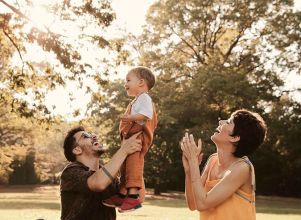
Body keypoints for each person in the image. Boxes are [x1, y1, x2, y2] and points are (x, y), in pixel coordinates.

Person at [181, 109, 267, 220]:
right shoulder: (213, 161)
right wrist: (189, 172)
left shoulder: (242, 168)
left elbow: (203, 204)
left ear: (234, 137)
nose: (221, 121)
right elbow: (193, 204)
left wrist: (193, 161)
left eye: (228, 122)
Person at [103, 66, 158, 212]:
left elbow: (147, 115)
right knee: (124, 166)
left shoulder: (145, 98)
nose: (125, 83)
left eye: (128, 80)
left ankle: (133, 197)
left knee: (134, 164)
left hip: (138, 137)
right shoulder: (136, 100)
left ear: (141, 82)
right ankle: (122, 194)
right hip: (130, 137)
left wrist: (130, 117)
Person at [60, 126, 142, 220]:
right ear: (77, 150)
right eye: (86, 136)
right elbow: (98, 183)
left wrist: (137, 156)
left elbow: (139, 196)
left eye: (92, 134)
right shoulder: (70, 172)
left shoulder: (107, 176)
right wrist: (124, 150)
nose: (94, 136)